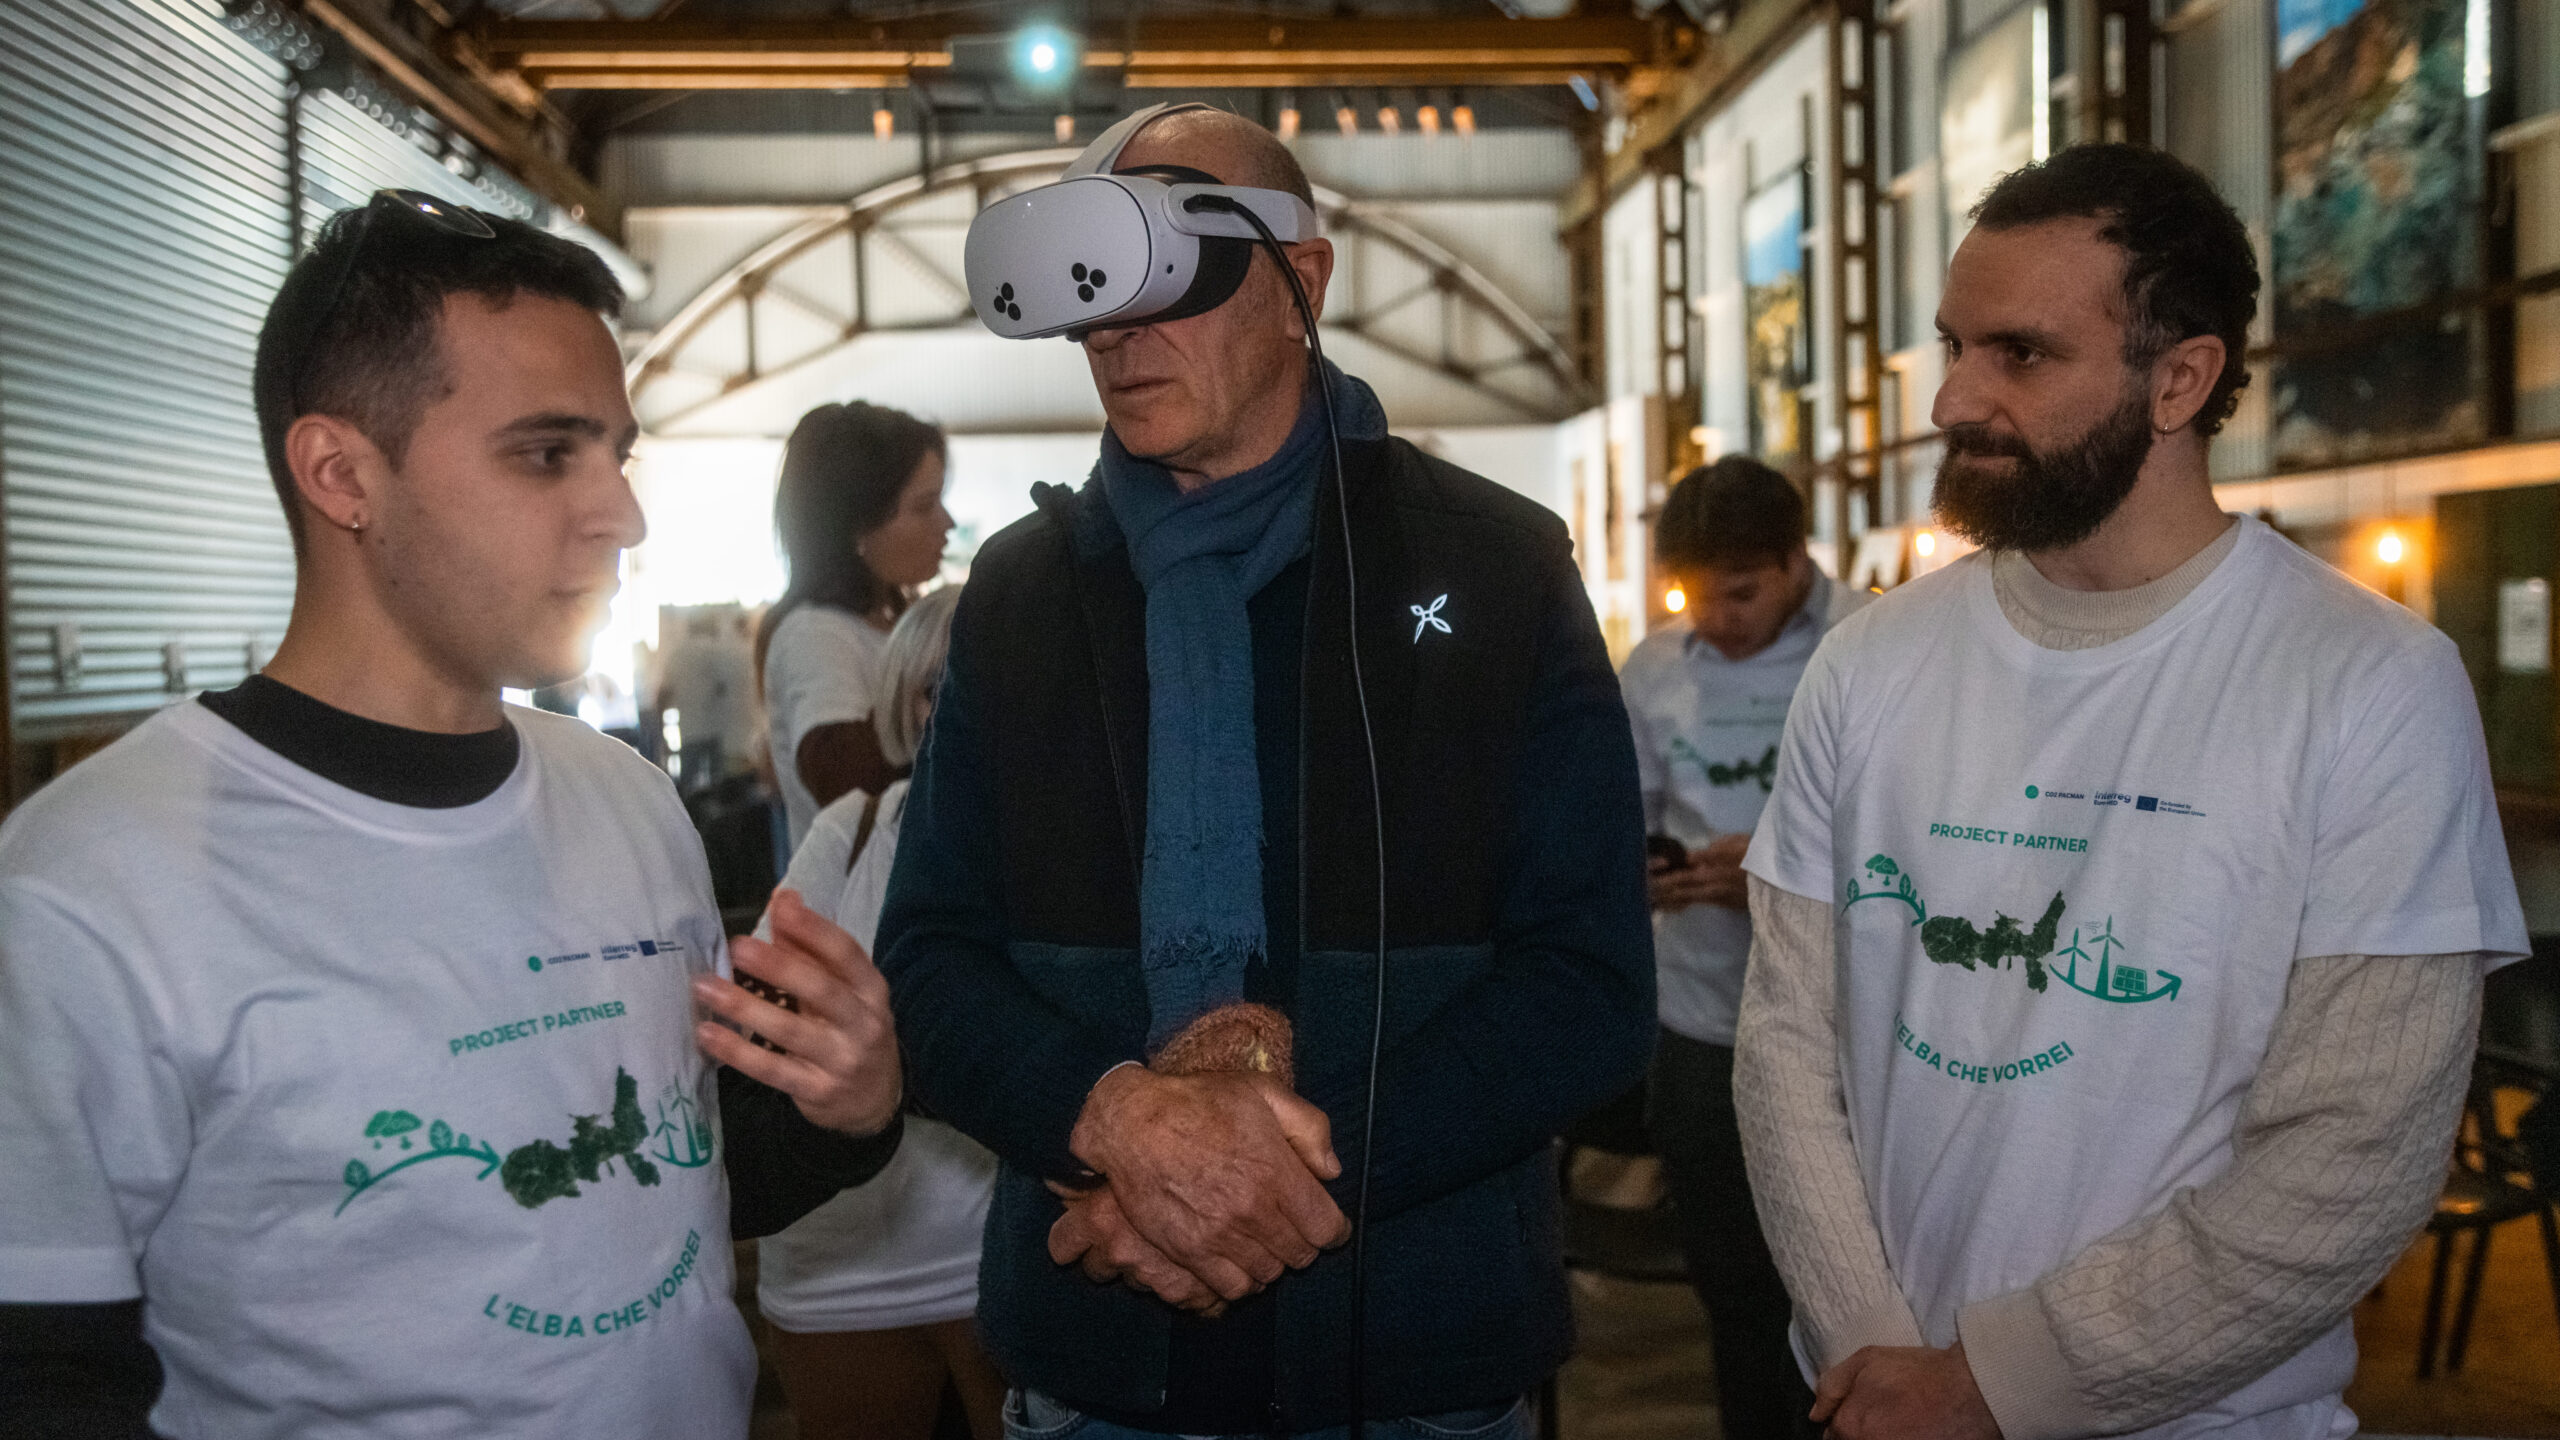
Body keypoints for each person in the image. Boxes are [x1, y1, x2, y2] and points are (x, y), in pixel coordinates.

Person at [0, 191, 906, 1439]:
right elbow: (45, 1374)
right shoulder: (88, 886)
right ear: (341, 475)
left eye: (619, 454)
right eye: (545, 454)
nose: (623, 515)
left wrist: (842, 1111)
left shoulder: (625, 800)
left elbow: (650, 1189)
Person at [874, 106, 1653, 1436]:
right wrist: (1120, 1124)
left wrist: (1250, 1177)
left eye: (1172, 276)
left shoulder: (1496, 567)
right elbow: (930, 962)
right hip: (1101, 1364)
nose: (1117, 333)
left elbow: (1588, 987)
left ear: (1303, 279)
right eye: (1094, 293)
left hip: (1417, 1356)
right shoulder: (1020, 595)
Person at [1734, 143, 2527, 1440]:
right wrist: (1878, 1355)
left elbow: (2354, 1151)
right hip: (1875, 1396)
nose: (1953, 398)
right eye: (1955, 345)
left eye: (2021, 354)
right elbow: (1785, 1048)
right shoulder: (1869, 662)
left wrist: (1991, 1385)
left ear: (2179, 379)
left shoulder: (2369, 681)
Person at [1617, 456, 1863, 1439]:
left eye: (1744, 592)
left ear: (1796, 561)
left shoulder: (1872, 646)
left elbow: (1924, 852)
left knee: (1855, 1300)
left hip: (1850, 1029)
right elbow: (1623, 824)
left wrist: (1775, 881)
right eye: (1695, 594)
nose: (1718, 618)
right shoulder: (1653, 671)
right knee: (1734, 1291)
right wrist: (1644, 874)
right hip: (1701, 1019)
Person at [752, 587, 1007, 1440]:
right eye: (937, 687)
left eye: (991, 679)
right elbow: (768, 1013)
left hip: (994, 1249)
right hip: (836, 1258)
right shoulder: (851, 830)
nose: (962, 706)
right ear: (904, 702)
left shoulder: (1057, 851)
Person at [759, 401, 955, 849]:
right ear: (858, 525)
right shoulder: (815, 635)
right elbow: (844, 782)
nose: (946, 523)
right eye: (925, 506)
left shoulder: (890, 623)